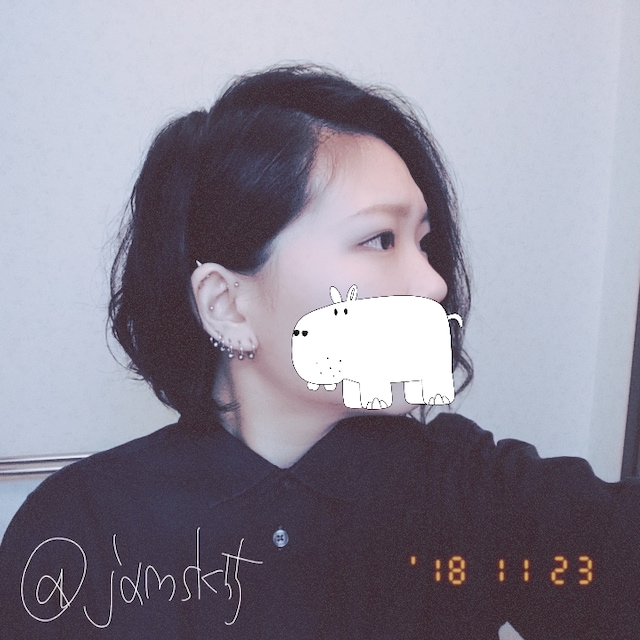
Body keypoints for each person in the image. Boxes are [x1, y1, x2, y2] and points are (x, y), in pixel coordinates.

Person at [0, 64, 638, 639]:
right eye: (380, 239)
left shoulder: (470, 492)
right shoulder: (78, 533)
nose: (433, 284)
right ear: (227, 305)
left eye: (423, 241)